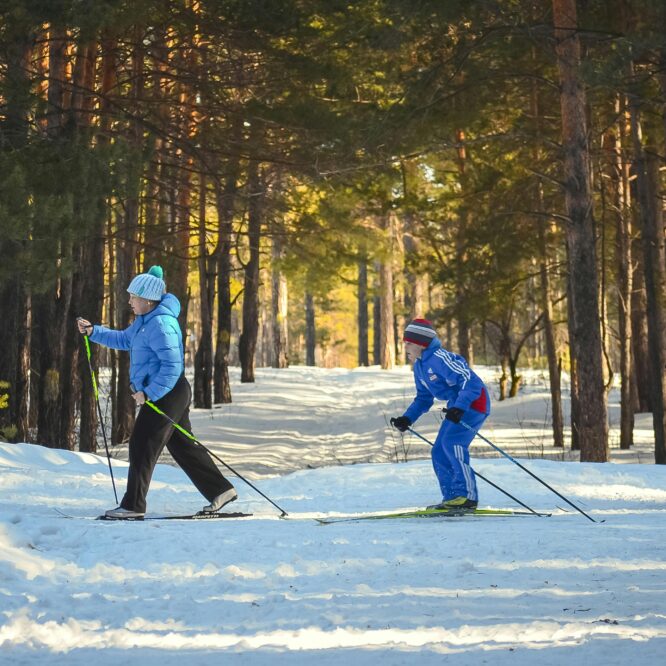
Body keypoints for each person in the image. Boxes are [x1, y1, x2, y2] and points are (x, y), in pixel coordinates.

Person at [77, 265, 237, 519]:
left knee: (142, 444)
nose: (129, 301)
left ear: (148, 300)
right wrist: (94, 331)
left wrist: (149, 393)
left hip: (167, 393)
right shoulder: (144, 322)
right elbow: (122, 340)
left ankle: (132, 506)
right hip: (169, 392)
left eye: (134, 297)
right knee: (183, 445)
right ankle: (221, 490)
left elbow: (172, 366)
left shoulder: (162, 324)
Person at [390, 319, 490, 510]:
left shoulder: (439, 358)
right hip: (457, 405)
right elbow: (423, 398)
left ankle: (467, 496)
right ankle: (452, 498)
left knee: (452, 443)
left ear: (421, 343)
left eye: (409, 343)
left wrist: (460, 407)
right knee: (438, 450)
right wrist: (407, 418)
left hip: (474, 403)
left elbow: (470, 381)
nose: (406, 347)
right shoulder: (419, 367)